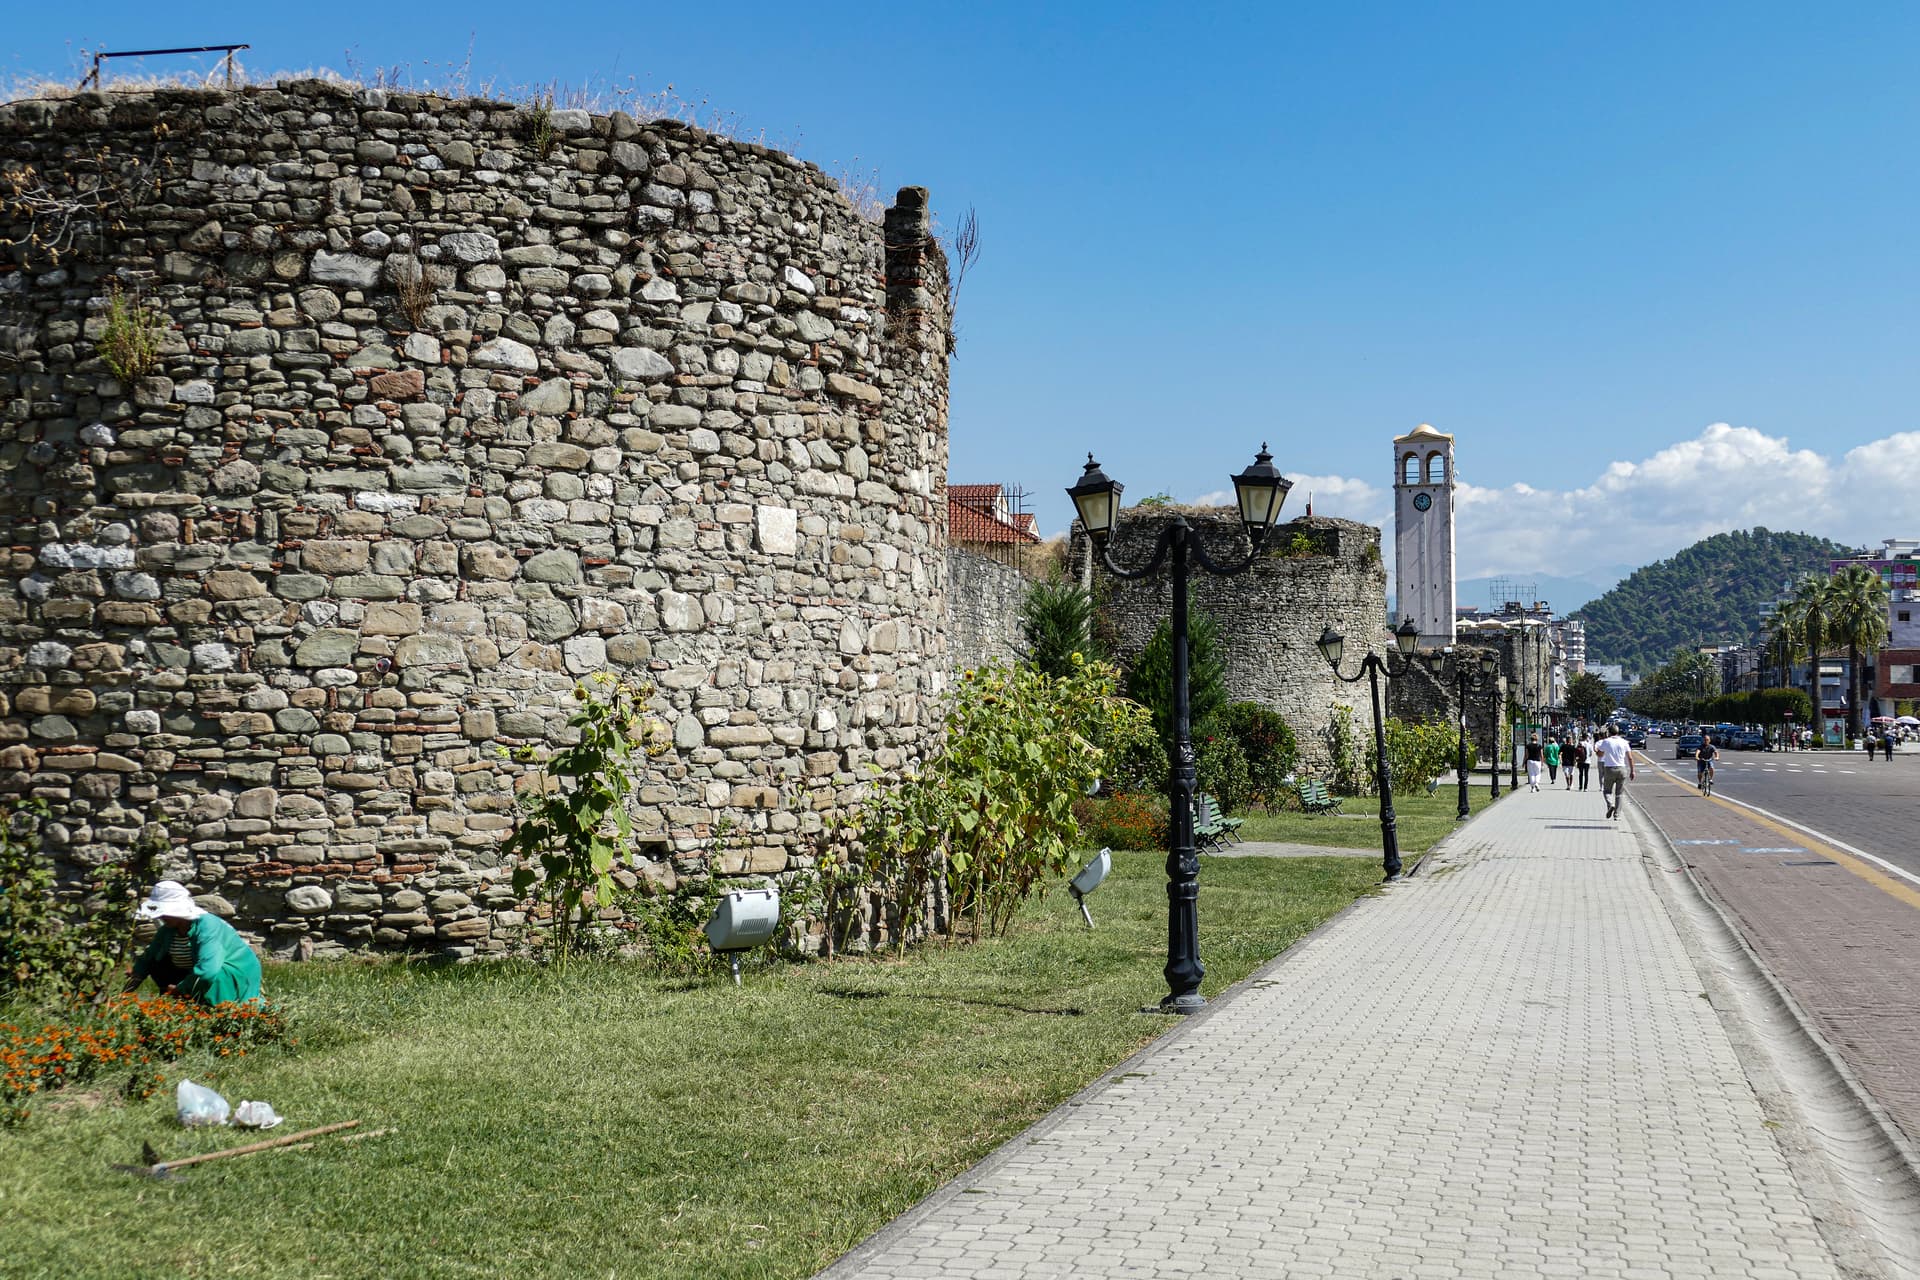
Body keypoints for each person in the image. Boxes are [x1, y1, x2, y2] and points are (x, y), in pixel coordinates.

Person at [123, 881, 263, 1006]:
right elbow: (147, 960)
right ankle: (182, 1005)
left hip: (234, 972)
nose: (162, 916)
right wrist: (123, 996)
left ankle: (215, 1010)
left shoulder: (207, 926)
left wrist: (180, 989)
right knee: (158, 963)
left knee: (217, 976)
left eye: (166, 912)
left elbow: (208, 971)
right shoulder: (168, 930)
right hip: (197, 973)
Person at [1595, 723, 1635, 820]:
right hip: (1622, 768)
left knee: (1607, 791)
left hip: (1609, 768)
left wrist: (1597, 751)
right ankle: (1617, 815)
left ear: (1609, 732)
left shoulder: (1606, 742)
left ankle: (1610, 804)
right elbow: (1630, 757)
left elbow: (1600, 754)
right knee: (1619, 793)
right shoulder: (1624, 742)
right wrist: (1632, 771)